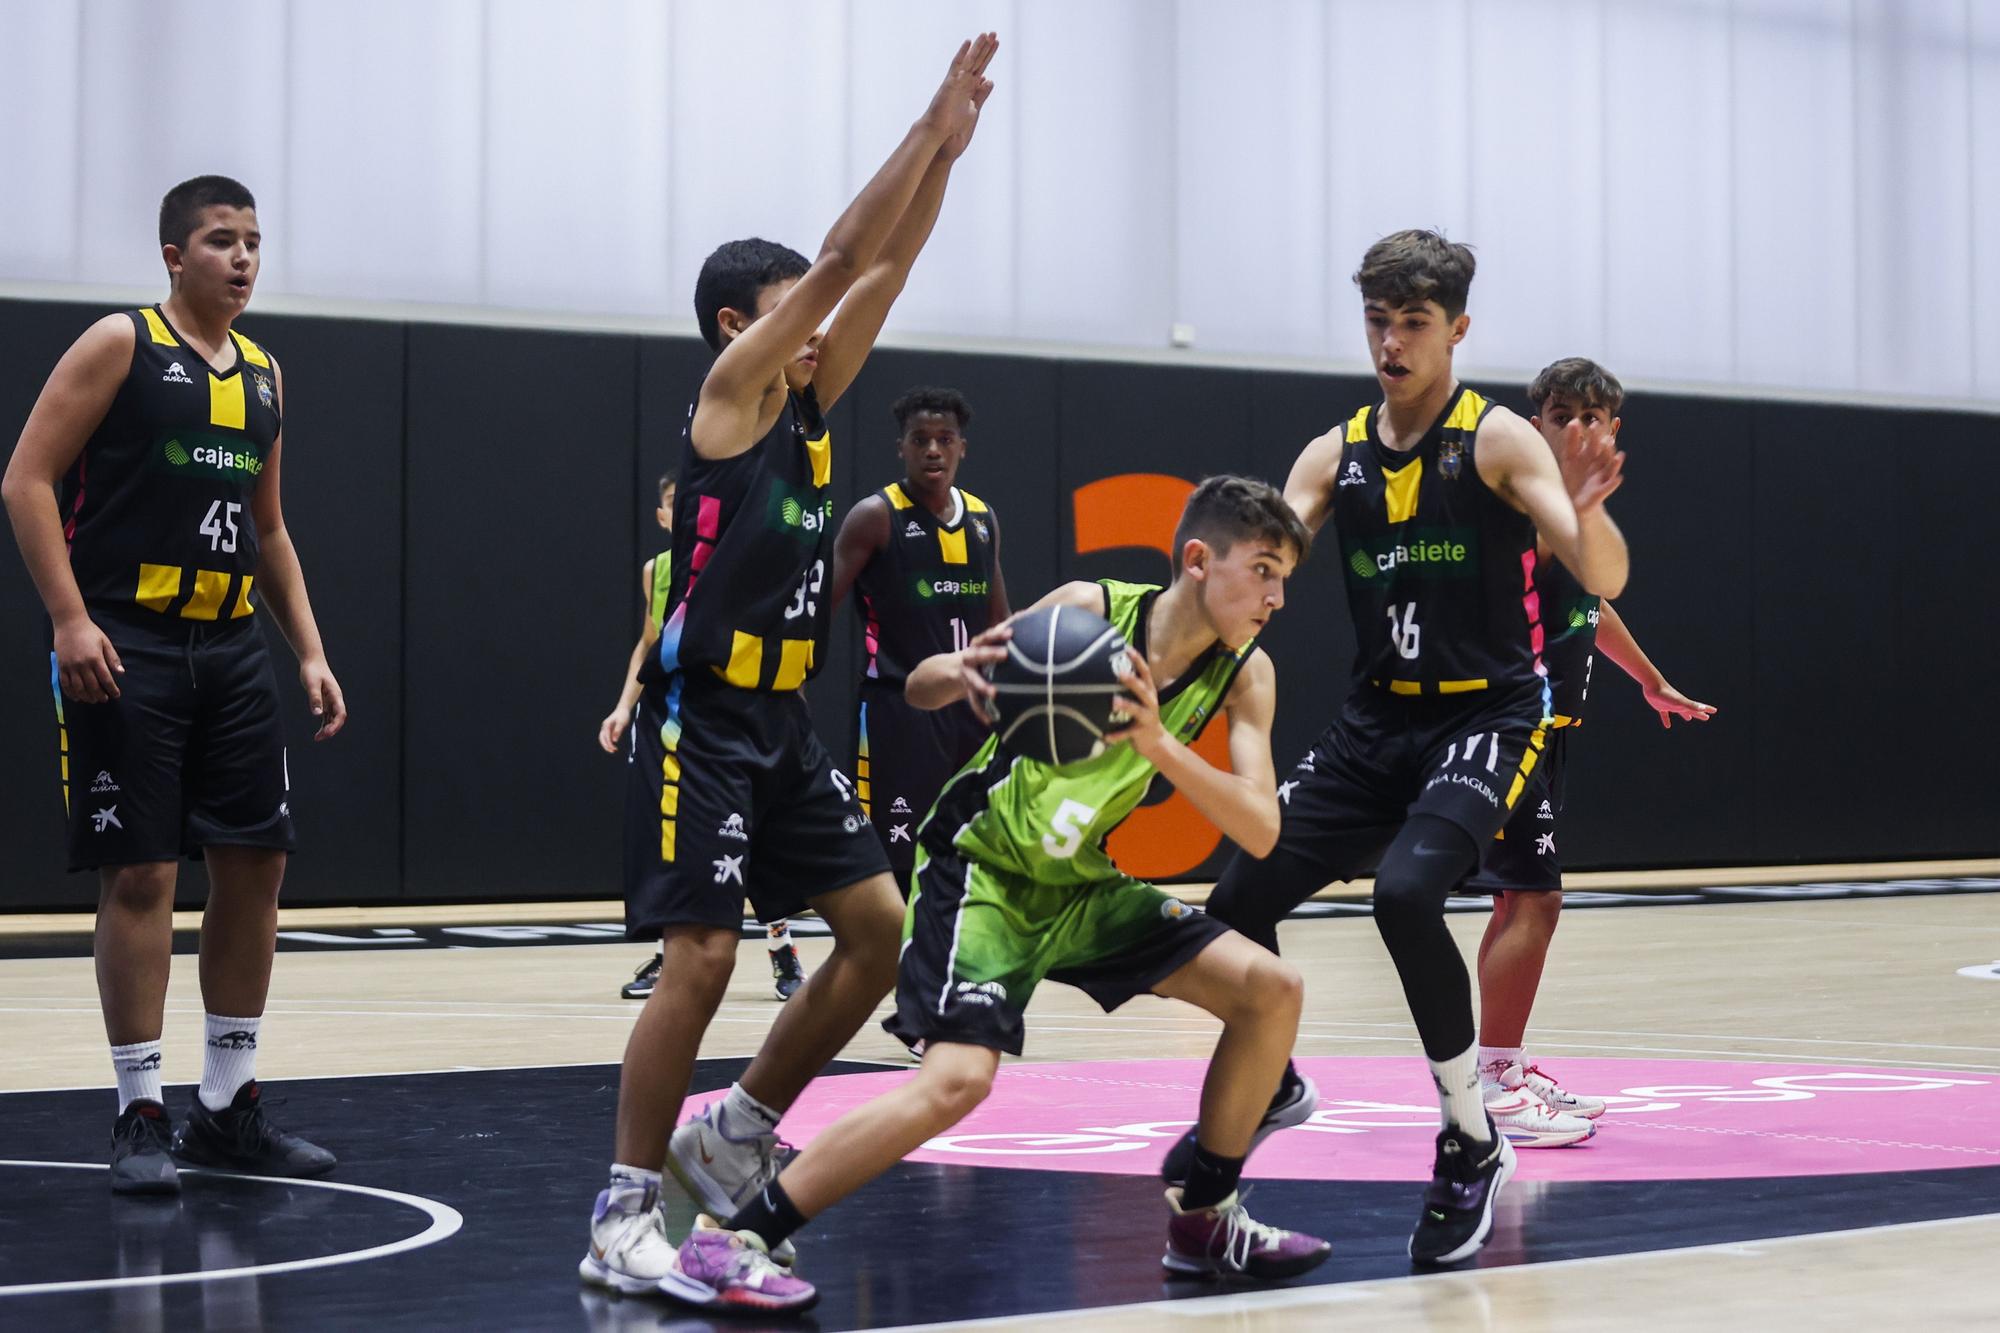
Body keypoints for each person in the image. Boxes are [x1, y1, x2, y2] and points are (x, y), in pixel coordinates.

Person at [579, 34, 998, 1313]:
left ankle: (741, 1123)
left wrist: (948, 162)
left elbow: (886, 261)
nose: (821, 326)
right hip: (704, 717)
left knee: (874, 934)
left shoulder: (813, 415)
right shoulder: (727, 402)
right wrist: (923, 125)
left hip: (784, 720)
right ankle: (621, 1208)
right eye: (793, 318)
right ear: (736, 328)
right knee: (701, 954)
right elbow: (836, 260)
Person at [719, 476, 1332, 1287]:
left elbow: (1260, 828)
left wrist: (1158, 744)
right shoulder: (1087, 609)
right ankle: (735, 1239)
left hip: (1077, 883)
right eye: (1262, 569)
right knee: (957, 1080)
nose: (1276, 596)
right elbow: (922, 685)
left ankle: (1204, 1219)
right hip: (984, 867)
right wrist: (961, 671)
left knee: (1272, 990)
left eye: (1285, 576)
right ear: (1197, 560)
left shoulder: (1246, 676)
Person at [1198, 229, 1630, 1266]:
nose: (1390, 342)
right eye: (1376, 321)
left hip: (1485, 715)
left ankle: (1467, 1139)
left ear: (1456, 331)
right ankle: (1279, 1075)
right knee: (1233, 901)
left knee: (1404, 895)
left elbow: (1602, 576)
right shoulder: (1330, 453)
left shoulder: (1493, 442)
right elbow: (1269, 556)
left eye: (1413, 323)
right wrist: (1215, 581)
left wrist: (1579, 513)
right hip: (1373, 722)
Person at [0, 175, 347, 1196]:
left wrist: (312, 651)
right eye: (219, 241)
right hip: (127, 642)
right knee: (143, 876)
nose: (241, 258)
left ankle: (227, 1107)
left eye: (252, 241)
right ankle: (138, 1110)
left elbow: (268, 527)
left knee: (254, 866)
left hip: (231, 650)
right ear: (172, 257)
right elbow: (24, 479)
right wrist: (70, 621)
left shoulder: (268, 373)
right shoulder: (122, 343)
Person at [1464, 357, 1715, 1141]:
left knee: (1518, 896)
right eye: (1561, 413)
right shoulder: (1519, 499)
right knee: (1537, 897)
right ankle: (1493, 1083)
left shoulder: (1575, 514)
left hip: (1548, 731)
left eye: (1592, 417)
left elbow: (1591, 605)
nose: (1575, 428)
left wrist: (1652, 680)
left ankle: (1498, 1068)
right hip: (1507, 727)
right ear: (1536, 422)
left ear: (1614, 430)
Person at [599, 470, 807, 1003]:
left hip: (738, 715)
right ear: (664, 516)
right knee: (679, 839)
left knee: (756, 831)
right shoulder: (658, 570)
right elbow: (648, 643)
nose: (684, 511)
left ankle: (782, 947)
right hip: (672, 716)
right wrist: (623, 707)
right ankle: (673, 954)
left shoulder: (738, 557)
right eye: (673, 503)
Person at [829, 385, 1008, 895]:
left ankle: (951, 956)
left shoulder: (982, 517)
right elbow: (819, 611)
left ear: (961, 448)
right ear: (902, 447)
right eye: (920, 439)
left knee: (971, 841)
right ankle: (891, 967)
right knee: (893, 853)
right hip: (897, 710)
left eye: (945, 438)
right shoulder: (875, 515)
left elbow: (999, 621)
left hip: (970, 711)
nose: (933, 449)